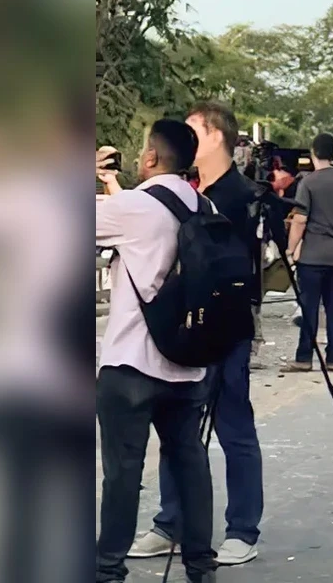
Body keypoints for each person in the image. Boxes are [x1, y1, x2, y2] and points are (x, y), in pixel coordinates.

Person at [126, 102, 265, 568]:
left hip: (227, 326)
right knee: (178, 425)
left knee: (232, 424)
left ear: (215, 137)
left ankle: (243, 528)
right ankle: (172, 522)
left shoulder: (240, 195)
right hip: (184, 324)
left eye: (193, 132)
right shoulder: (185, 192)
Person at [96, 120, 219, 583]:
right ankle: (200, 566)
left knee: (123, 473)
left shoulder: (133, 207)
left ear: (150, 157)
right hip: (188, 363)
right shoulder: (202, 205)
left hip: (131, 364)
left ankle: (108, 569)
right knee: (190, 462)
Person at [284, 134, 333, 372]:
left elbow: (300, 220)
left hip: (312, 255)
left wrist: (290, 248)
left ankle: (305, 357)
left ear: (313, 152)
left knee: (309, 306)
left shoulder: (308, 182)